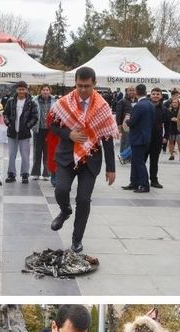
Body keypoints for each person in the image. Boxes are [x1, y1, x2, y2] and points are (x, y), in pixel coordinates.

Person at [49, 66, 117, 253]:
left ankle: (76, 240)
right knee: (61, 190)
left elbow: (107, 137)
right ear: (75, 83)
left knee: (84, 199)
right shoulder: (64, 103)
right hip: (66, 156)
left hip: (91, 158)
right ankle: (65, 210)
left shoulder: (103, 106)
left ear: (94, 84)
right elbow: (53, 126)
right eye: (79, 86)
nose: (83, 90)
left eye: (87, 86)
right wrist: (69, 134)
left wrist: (111, 168)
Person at [2, 81, 38, 183]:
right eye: (19, 89)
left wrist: (28, 126)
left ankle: (25, 175)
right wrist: (8, 123)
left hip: (25, 133)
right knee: (12, 155)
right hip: (12, 133)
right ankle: (11, 174)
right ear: (16, 90)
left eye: (23, 89)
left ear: (26, 90)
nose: (21, 91)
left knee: (25, 155)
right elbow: (5, 114)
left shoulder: (31, 103)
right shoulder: (10, 101)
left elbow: (35, 117)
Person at [123, 84, 152, 193]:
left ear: (136, 92)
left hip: (138, 137)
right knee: (136, 161)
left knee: (138, 162)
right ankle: (134, 183)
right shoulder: (149, 104)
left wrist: (127, 120)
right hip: (145, 137)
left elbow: (132, 122)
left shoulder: (139, 106)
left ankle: (144, 184)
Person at [31, 85, 53, 180]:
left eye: (47, 90)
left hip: (49, 130)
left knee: (48, 152)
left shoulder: (54, 101)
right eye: (43, 90)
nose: (45, 91)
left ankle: (46, 173)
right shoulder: (34, 101)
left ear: (49, 91)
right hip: (38, 129)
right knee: (37, 151)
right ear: (40, 91)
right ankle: (36, 173)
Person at [115, 86, 135, 164]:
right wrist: (119, 125)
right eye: (130, 90)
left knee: (131, 142)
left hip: (134, 125)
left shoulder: (138, 101)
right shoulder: (122, 101)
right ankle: (123, 157)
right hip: (125, 125)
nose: (132, 92)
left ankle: (129, 157)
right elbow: (118, 114)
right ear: (127, 91)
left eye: (133, 90)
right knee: (125, 141)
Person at [166, 95, 180, 161]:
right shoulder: (169, 110)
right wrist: (170, 119)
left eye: (176, 102)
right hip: (171, 128)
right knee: (171, 142)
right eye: (173, 102)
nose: (174, 104)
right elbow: (166, 118)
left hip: (178, 129)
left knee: (179, 142)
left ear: (178, 103)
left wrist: (177, 120)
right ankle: (171, 155)